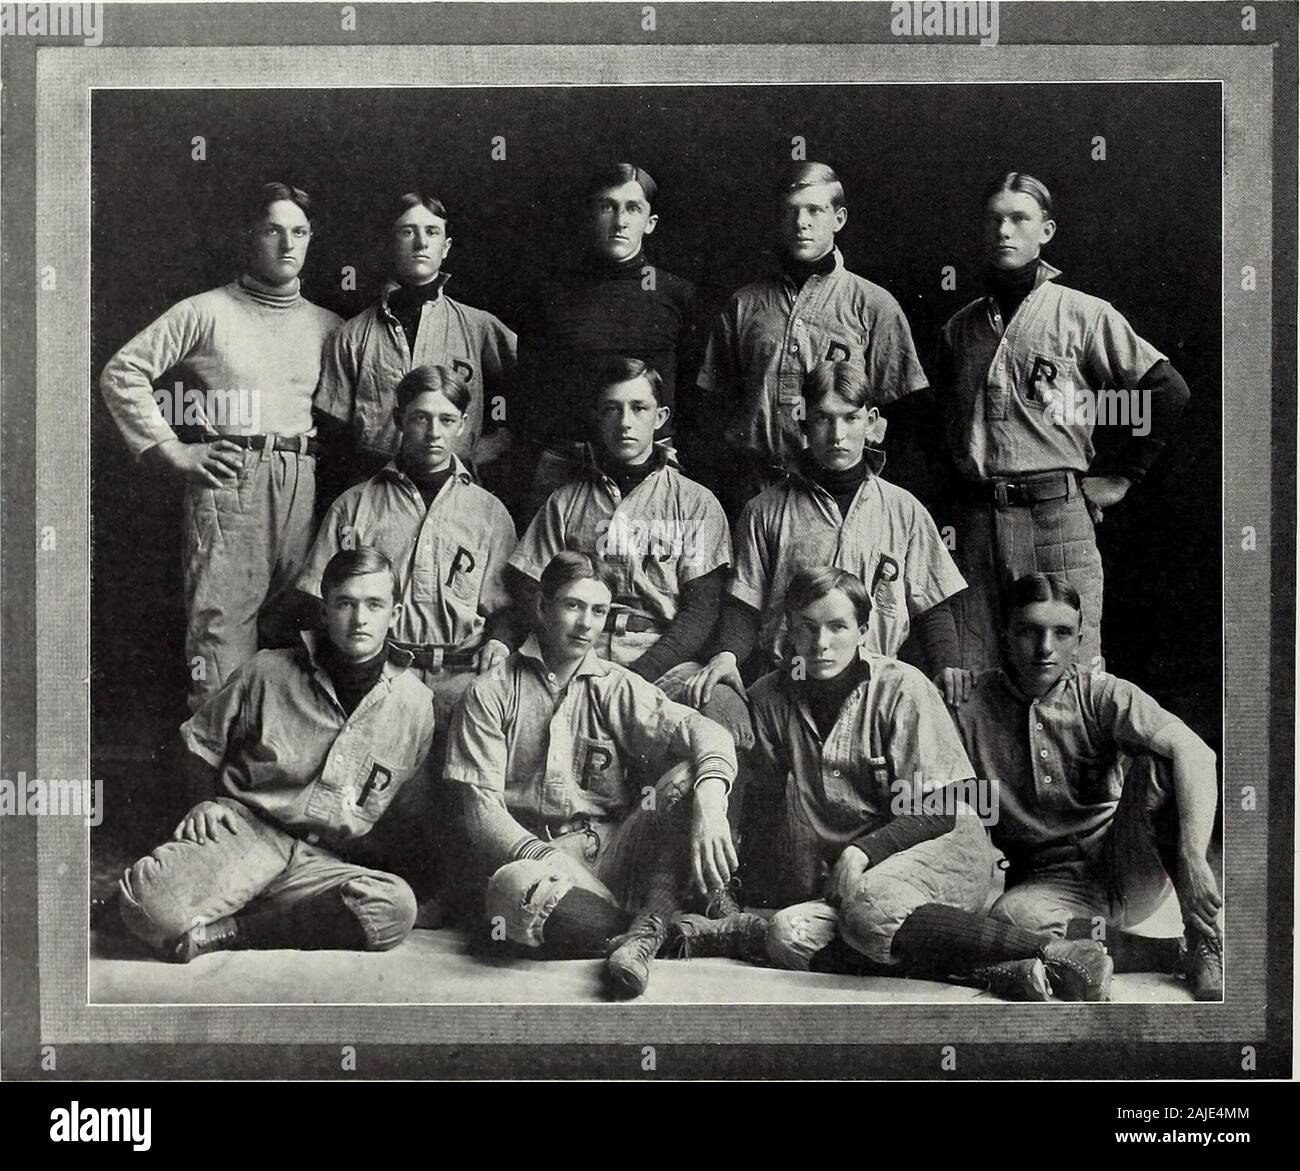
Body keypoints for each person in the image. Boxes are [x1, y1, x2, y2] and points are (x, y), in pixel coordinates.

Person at [671, 567, 1114, 1002]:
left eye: (838, 626)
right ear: (788, 630)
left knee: (870, 905)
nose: (821, 644)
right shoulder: (771, 696)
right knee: (788, 934)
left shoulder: (901, 685)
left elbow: (943, 805)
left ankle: (1055, 951)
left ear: (864, 630)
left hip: (942, 846)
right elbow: (762, 799)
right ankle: (991, 968)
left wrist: (865, 851)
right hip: (859, 871)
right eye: (807, 628)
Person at [114, 548, 435, 962]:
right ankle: (236, 898)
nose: (360, 619)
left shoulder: (416, 704)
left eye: (374, 604)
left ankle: (231, 930)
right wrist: (202, 802)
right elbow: (199, 743)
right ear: (324, 610)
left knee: (394, 907)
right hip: (248, 835)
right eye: (345, 603)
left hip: (321, 860)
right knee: (147, 908)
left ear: (395, 612)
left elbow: (404, 813)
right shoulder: (267, 671)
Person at [443, 551, 739, 998]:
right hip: (536, 862)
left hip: (613, 854)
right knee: (512, 894)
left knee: (688, 777)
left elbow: (705, 730)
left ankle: (635, 928)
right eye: (573, 606)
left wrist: (712, 802)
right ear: (542, 606)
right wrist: (548, 858)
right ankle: (659, 930)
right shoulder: (491, 691)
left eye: (598, 611)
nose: (586, 624)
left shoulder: (615, 684)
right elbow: (482, 814)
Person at [932, 172, 1191, 671]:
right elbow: (941, 428)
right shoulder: (959, 328)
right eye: (995, 220)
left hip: (1055, 517)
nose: (1004, 230)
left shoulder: (1083, 315)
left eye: (1019, 219)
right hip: (977, 522)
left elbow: (1168, 391)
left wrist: (1122, 476)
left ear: (1045, 231)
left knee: (1068, 677)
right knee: (974, 673)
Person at [99, 181, 342, 710]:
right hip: (233, 484)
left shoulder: (331, 327)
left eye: (298, 232)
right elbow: (123, 372)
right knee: (221, 640)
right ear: (249, 237)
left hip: (303, 486)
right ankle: (213, 789)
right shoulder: (206, 311)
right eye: (272, 230)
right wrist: (173, 449)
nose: (286, 244)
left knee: (295, 641)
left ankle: (268, 785)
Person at [947, 572, 1223, 1000]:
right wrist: (940, 688)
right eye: (1029, 631)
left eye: (1061, 633)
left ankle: (1203, 938)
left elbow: (1197, 752)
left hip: (1124, 863)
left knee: (1162, 762)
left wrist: (1192, 857)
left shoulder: (1100, 693)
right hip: (1047, 884)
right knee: (1006, 918)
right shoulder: (971, 701)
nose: (1045, 648)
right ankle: (1160, 953)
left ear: (1078, 640)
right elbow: (928, 778)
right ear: (1005, 633)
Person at [682, 361, 968, 709]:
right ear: (804, 423)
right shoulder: (765, 510)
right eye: (823, 418)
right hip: (790, 683)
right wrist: (725, 656)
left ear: (872, 422)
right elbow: (744, 606)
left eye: (851, 417)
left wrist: (948, 665)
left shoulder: (903, 509)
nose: (837, 435)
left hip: (875, 688)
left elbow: (932, 607)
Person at [506, 356, 749, 739]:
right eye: (612, 409)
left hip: (663, 657)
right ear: (597, 417)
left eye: (639, 409)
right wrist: (569, 654)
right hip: (578, 648)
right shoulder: (566, 501)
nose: (625, 422)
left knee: (722, 713)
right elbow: (529, 584)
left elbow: (702, 610)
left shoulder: (694, 501)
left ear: (661, 416)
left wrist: (637, 678)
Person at [696, 162, 927, 518]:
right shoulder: (745, 304)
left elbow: (900, 414)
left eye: (815, 210)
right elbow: (716, 404)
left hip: (839, 494)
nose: (801, 222)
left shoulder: (872, 304)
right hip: (755, 487)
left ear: (839, 218)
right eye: (791, 211)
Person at [297, 364, 517, 729]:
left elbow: (506, 609)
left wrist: (500, 645)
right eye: (420, 418)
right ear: (399, 419)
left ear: (462, 423)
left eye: (446, 420)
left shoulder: (490, 513)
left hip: (462, 682)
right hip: (380, 677)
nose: (434, 433)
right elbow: (314, 598)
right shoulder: (355, 505)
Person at [510, 163, 696, 520]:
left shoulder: (677, 295)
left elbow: (693, 392)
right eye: (607, 207)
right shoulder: (551, 294)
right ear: (591, 215)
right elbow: (528, 390)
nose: (620, 221)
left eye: (633, 208)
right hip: (567, 463)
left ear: (650, 223)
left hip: (650, 464)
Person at [313, 191, 517, 492]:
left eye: (432, 232)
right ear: (391, 244)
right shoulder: (351, 336)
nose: (421, 243)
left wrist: (499, 439)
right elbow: (333, 436)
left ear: (445, 247)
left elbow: (530, 381)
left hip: (454, 489)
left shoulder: (478, 326)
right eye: (408, 232)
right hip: (375, 489)